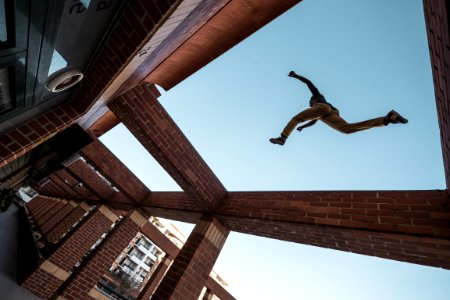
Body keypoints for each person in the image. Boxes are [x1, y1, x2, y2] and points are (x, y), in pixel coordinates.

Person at [270, 71, 408, 145]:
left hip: (323, 108)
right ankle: (386, 119)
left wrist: (296, 76)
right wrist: (303, 128)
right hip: (329, 113)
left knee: (296, 118)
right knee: (346, 129)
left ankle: (282, 138)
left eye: (310, 103)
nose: (309, 104)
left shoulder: (316, 97)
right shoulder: (317, 112)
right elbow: (313, 121)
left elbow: (309, 83)